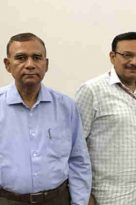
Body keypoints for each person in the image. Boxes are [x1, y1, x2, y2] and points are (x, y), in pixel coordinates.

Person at [0, 33, 91, 205]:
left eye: (36, 57)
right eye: (21, 58)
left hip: (57, 199)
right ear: (7, 64)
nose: (30, 65)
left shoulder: (66, 107)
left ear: (46, 64)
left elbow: (78, 160)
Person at [75, 32, 136, 205]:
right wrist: (84, 196)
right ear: (112, 56)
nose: (134, 62)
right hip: (106, 198)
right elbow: (74, 149)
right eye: (127, 55)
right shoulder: (92, 91)